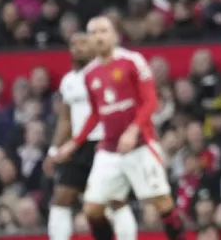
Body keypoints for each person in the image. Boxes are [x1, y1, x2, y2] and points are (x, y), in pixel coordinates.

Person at [54, 17, 183, 240]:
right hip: (109, 150)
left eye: (103, 31)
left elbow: (150, 101)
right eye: (93, 33)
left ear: (114, 35)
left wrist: (133, 130)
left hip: (141, 145)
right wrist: (74, 143)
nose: (99, 37)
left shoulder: (132, 61)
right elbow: (96, 114)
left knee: (162, 203)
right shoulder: (91, 74)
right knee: (92, 209)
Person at [48, 32, 137, 240]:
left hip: (104, 143)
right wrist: (54, 148)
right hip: (77, 146)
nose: (77, 48)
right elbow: (66, 118)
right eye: (73, 44)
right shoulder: (68, 80)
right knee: (62, 197)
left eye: (83, 44)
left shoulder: (104, 72)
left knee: (114, 199)